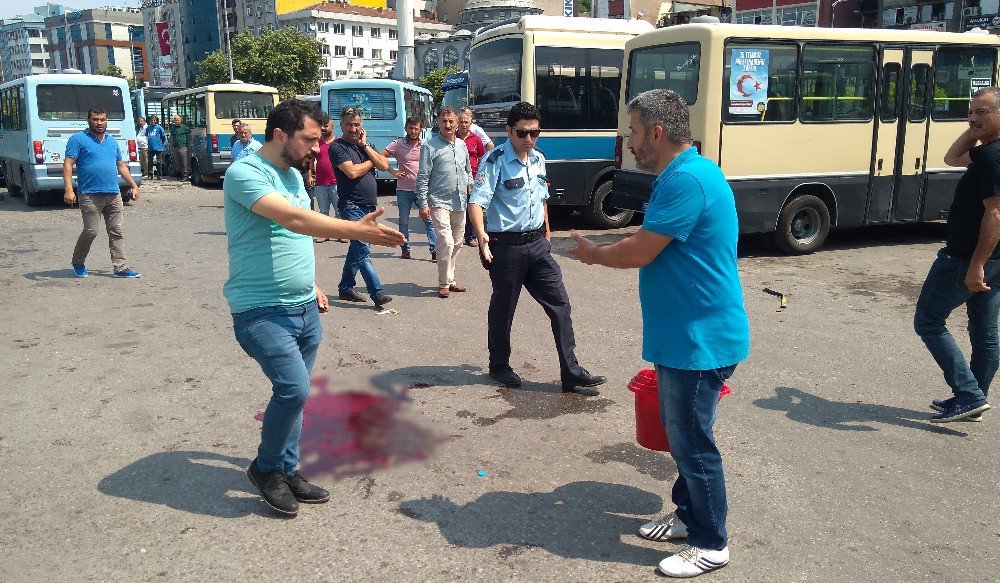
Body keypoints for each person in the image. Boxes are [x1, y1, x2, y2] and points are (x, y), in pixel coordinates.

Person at [566, 89, 749, 578]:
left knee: (692, 440)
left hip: (699, 338)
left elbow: (640, 249)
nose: (629, 141)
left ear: (658, 132)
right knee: (684, 432)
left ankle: (711, 543)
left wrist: (592, 254)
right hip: (688, 334)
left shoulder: (686, 178)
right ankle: (690, 516)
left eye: (633, 131)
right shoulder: (684, 174)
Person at [223, 99, 405, 516]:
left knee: (295, 397)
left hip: (303, 305)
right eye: (309, 139)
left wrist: (313, 283)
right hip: (260, 309)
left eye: (319, 140)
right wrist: (356, 231)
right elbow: (296, 222)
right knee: (294, 388)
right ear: (279, 135)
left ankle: (287, 469)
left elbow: (290, 242)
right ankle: (266, 469)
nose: (316, 149)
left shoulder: (290, 175)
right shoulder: (245, 173)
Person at [469, 101, 605, 395]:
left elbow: (542, 197)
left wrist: (547, 231)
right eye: (522, 133)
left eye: (534, 133)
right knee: (504, 308)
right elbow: (477, 202)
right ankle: (499, 365)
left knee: (561, 305)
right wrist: (481, 236)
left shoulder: (538, 159)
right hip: (506, 247)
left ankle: (571, 372)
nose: (528, 139)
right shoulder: (494, 161)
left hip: (537, 245)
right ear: (508, 131)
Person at [915, 86, 1000, 423]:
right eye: (971, 111)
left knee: (928, 321)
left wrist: (975, 266)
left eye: (982, 112)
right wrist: (978, 128)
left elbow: (995, 214)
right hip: (993, 259)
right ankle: (975, 400)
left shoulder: (993, 157)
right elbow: (952, 157)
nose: (972, 117)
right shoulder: (988, 153)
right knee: (984, 331)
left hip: (968, 258)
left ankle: (969, 394)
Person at [330, 106, 405, 308]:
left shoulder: (366, 146)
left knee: (358, 247)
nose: (353, 129)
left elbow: (383, 165)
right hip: (351, 205)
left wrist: (365, 148)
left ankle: (345, 288)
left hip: (369, 206)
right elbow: (352, 173)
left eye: (356, 124)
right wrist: (371, 162)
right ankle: (377, 292)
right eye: (348, 124)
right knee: (363, 249)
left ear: (361, 125)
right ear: (341, 125)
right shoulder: (337, 148)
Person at [63, 108, 142, 279]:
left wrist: (134, 185)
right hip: (89, 194)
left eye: (103, 119)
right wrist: (69, 189)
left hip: (113, 194)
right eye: (96, 119)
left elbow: (121, 166)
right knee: (91, 231)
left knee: (116, 231)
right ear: (88, 120)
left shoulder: (112, 142)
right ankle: (78, 261)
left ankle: (120, 268)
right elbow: (68, 164)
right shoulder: (78, 139)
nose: (99, 123)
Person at [416, 106, 473, 298]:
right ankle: (443, 283)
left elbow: (468, 170)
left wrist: (471, 184)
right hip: (439, 201)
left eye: (451, 121)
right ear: (438, 123)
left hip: (460, 201)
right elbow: (423, 177)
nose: (448, 124)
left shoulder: (462, 145)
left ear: (457, 123)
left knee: (457, 243)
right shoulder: (430, 146)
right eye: (444, 121)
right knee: (446, 242)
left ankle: (451, 279)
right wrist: (423, 203)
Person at [383, 116, 436, 260]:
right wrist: (393, 172)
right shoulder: (398, 144)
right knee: (404, 221)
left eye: (416, 129)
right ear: (406, 128)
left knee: (429, 220)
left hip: (422, 190)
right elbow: (381, 157)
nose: (413, 131)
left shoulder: (426, 144)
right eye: (410, 128)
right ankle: (405, 248)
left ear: (421, 130)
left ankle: (434, 249)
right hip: (403, 191)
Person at [457, 107, 486, 247]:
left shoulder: (476, 139)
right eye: (461, 121)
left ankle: (471, 236)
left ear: (471, 123)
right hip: (455, 179)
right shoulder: (452, 137)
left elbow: (482, 157)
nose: (463, 124)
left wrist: (479, 178)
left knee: (471, 207)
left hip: (472, 179)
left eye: (466, 122)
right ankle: (456, 235)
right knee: (456, 208)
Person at [313, 114, 343, 243]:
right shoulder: (316, 143)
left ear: (332, 127)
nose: (323, 128)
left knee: (339, 210)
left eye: (326, 126)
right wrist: (310, 175)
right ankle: (324, 234)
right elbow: (310, 161)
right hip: (320, 183)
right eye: (322, 126)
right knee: (323, 211)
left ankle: (341, 233)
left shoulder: (339, 142)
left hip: (336, 182)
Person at [144, 115, 165, 180]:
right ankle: (150, 175)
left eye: (154, 120)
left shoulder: (159, 128)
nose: (153, 121)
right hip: (150, 148)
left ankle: (159, 175)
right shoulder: (148, 128)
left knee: (159, 162)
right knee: (150, 162)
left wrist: (161, 144)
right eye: (152, 120)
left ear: (156, 121)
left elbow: (163, 137)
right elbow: (147, 136)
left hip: (158, 148)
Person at [171, 114, 190, 181]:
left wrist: (190, 143)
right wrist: (172, 146)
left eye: (178, 120)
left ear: (180, 120)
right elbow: (172, 137)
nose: (177, 121)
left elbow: (191, 134)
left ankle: (185, 176)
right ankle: (181, 175)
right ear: (174, 121)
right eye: (176, 120)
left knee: (184, 162)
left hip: (183, 147)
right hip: (176, 147)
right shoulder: (173, 128)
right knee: (177, 163)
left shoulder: (184, 127)